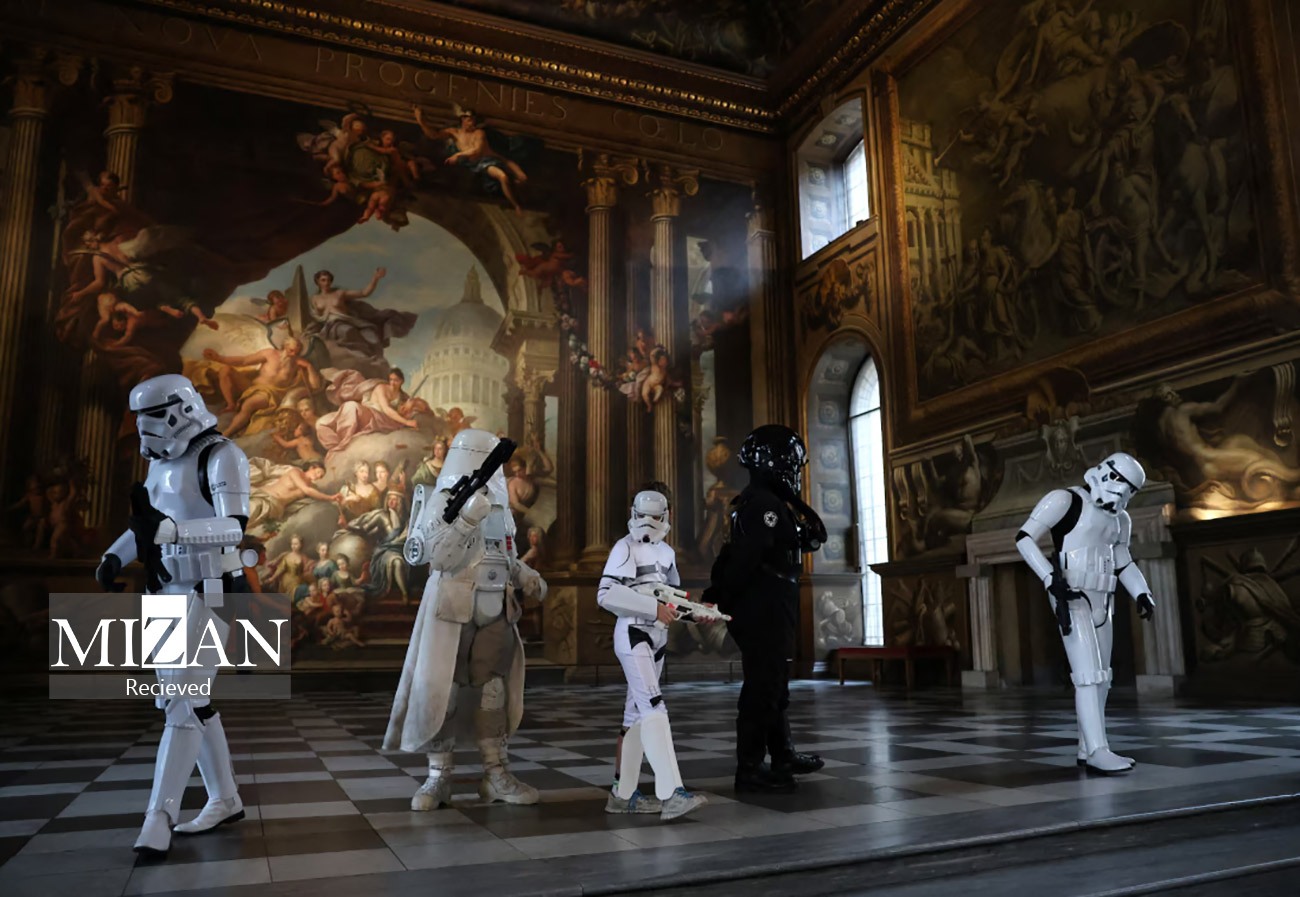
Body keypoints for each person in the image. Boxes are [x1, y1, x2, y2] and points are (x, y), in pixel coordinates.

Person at [94, 374, 251, 857]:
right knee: (184, 702)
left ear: (182, 409)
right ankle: (225, 798)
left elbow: (234, 528)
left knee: (182, 700)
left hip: (212, 586)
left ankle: (159, 817)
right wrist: (115, 556)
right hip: (166, 587)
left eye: (154, 417)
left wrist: (172, 533)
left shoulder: (221, 455)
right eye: (139, 420)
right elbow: (148, 523)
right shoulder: (160, 463)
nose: (146, 429)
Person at [384, 429, 547, 809]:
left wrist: (525, 575)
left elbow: (504, 554)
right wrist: (465, 521)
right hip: (451, 606)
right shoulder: (442, 500)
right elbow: (436, 558)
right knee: (444, 690)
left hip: (496, 606)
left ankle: (496, 773)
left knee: (493, 691)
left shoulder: (500, 506)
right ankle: (438, 776)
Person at [1016, 452, 1157, 775]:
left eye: (1131, 489)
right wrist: (1049, 578)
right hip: (1072, 594)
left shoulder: (1121, 519)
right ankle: (1097, 750)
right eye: (1119, 480)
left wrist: (1142, 591)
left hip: (1103, 598)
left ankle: (1086, 746)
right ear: (1105, 472)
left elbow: (1123, 561)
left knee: (1102, 677)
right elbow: (1024, 538)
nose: (1122, 491)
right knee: (1088, 675)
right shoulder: (1065, 500)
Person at [710, 425, 827, 793]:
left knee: (773, 685)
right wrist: (726, 598)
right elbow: (745, 559)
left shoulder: (766, 501)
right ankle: (749, 768)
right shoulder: (763, 504)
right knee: (763, 688)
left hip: (771, 603)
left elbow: (803, 539)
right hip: (764, 606)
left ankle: (782, 755)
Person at [597, 490, 709, 820]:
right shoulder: (624, 547)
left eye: (655, 516)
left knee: (634, 716)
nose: (648, 522)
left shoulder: (667, 552)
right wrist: (651, 608)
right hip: (634, 633)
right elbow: (606, 594)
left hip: (656, 637)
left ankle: (622, 795)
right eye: (643, 515)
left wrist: (697, 613)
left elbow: (671, 600)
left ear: (666, 515)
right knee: (654, 707)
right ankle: (672, 793)